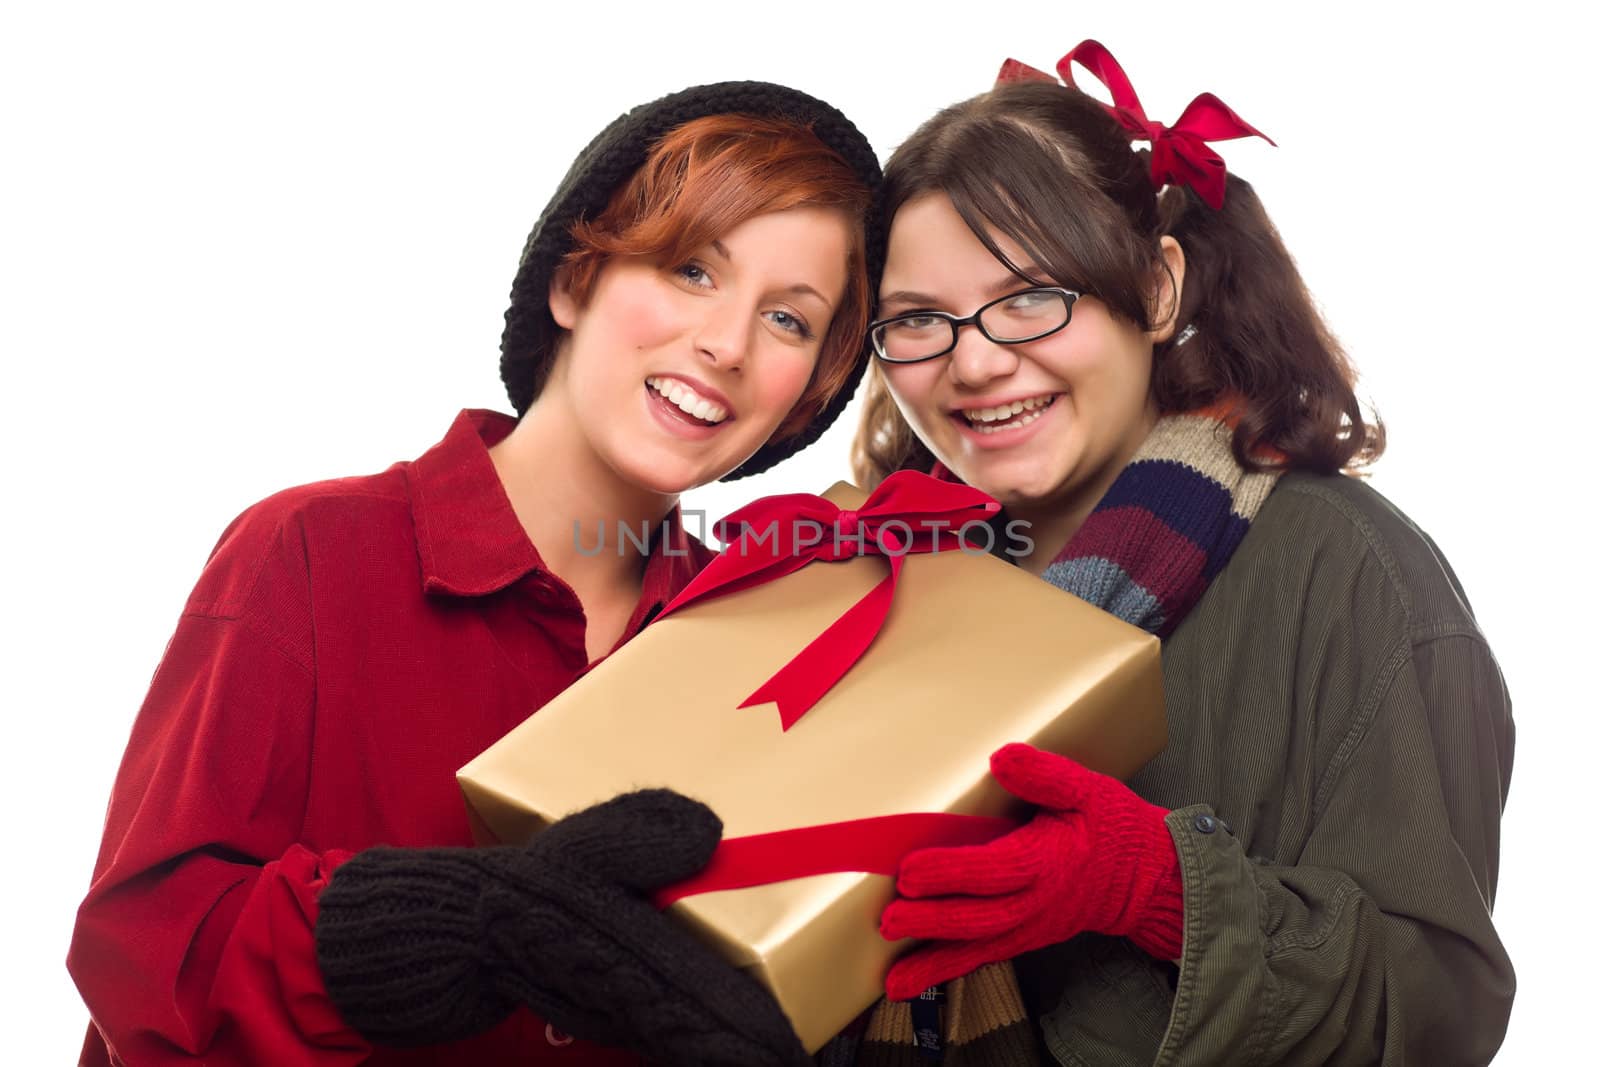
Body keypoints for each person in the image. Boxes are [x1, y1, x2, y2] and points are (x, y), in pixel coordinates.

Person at [67, 80, 884, 1067]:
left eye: (790, 320)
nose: (727, 344)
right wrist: (455, 924)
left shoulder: (766, 643)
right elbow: (148, 961)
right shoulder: (310, 553)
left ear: (808, 399)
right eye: (690, 269)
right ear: (573, 281)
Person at [841, 41, 1514, 1066]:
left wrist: (1157, 888)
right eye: (918, 321)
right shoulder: (871, 583)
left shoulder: (1352, 575)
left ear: (1156, 290)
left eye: (1030, 294)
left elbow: (1436, 1012)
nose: (973, 362)